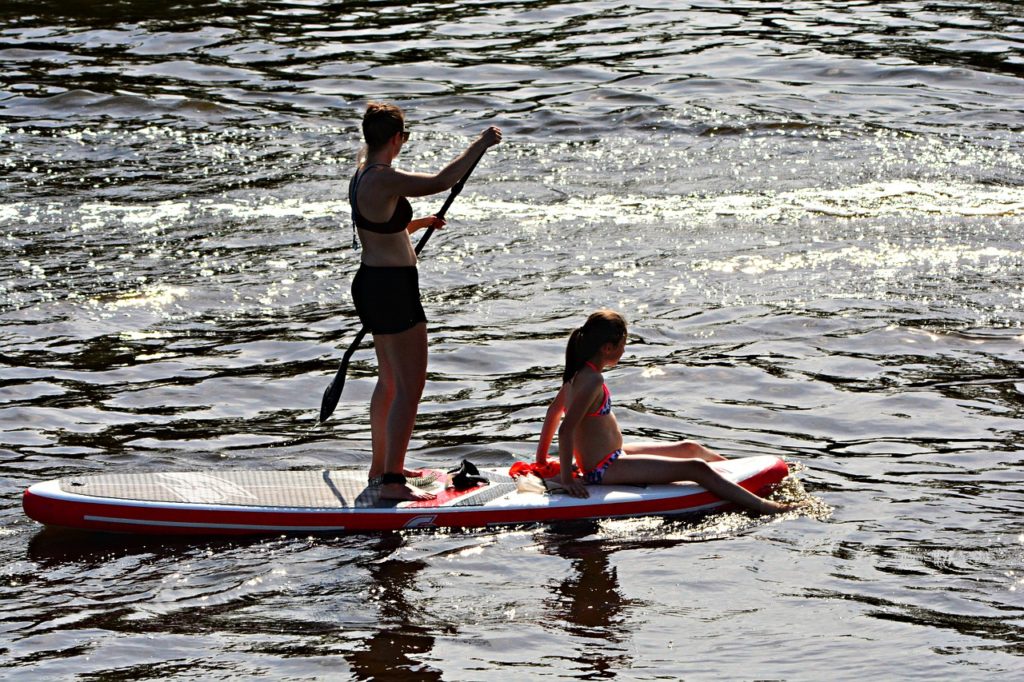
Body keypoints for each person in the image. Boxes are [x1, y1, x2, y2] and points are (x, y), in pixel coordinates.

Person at [350, 102, 501, 501]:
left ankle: (381, 468)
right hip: (393, 287)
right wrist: (479, 145)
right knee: (410, 386)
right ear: (396, 139)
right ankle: (392, 482)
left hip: (373, 281)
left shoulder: (362, 172)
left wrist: (415, 224)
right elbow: (441, 179)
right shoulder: (383, 177)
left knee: (389, 380)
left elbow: (376, 224)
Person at [535, 309, 801, 513]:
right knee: (695, 467)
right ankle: (768, 507)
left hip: (615, 455)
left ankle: (741, 478)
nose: (625, 350)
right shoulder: (592, 380)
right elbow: (566, 427)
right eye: (623, 345)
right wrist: (568, 479)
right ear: (607, 348)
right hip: (604, 469)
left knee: (690, 448)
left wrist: (541, 460)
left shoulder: (578, 375)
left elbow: (552, 412)